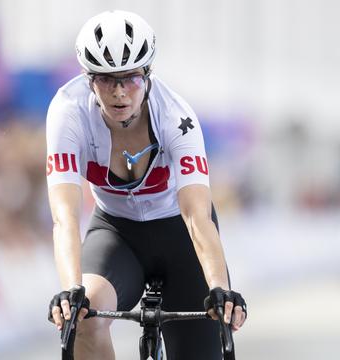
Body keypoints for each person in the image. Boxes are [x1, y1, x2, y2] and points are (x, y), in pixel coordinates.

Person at [46, 10, 247, 359]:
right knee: (81, 319)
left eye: (131, 78)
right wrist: (71, 289)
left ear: (147, 75)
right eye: (106, 80)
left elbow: (197, 217)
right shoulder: (68, 112)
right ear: (88, 80)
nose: (120, 92)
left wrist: (219, 287)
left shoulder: (176, 118)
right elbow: (64, 216)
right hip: (116, 234)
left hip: (180, 236)